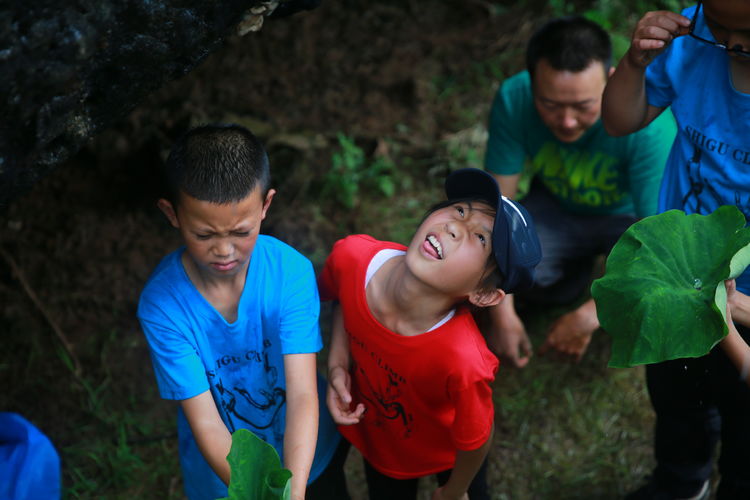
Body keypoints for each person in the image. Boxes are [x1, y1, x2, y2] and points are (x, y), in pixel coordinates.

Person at [136, 124, 344, 500]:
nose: (224, 250)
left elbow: (301, 393)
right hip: (226, 476)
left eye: (240, 232)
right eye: (205, 235)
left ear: (265, 205)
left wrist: (291, 493)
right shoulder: (163, 307)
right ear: (172, 214)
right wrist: (258, 492)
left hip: (307, 455)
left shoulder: (290, 273)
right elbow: (206, 421)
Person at [601, 1, 750, 498]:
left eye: (746, 31)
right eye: (719, 28)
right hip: (676, 276)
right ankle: (683, 478)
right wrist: (634, 64)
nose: (732, 44)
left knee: (744, 416)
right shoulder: (689, 41)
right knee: (676, 393)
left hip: (745, 301)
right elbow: (620, 120)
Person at [320, 168, 542, 500]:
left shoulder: (464, 359)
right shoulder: (351, 257)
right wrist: (338, 363)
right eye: (461, 210)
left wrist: (455, 490)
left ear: (483, 294)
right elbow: (342, 296)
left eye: (481, 238)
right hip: (385, 443)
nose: (455, 227)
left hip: (449, 451)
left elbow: (476, 437)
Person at [483, 16, 676, 366]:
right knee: (527, 276)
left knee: (654, 297)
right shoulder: (516, 97)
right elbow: (497, 209)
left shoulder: (647, 127)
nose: (567, 121)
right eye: (551, 105)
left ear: (612, 79)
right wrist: (502, 313)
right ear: (531, 83)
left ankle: (589, 291)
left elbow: (660, 247)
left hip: (629, 220)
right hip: (556, 207)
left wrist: (588, 317)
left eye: (584, 106)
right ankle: (570, 280)